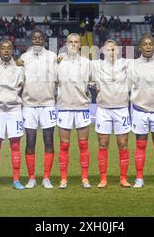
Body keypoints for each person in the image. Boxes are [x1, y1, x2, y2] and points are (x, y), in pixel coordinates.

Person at [128, 34, 154, 188]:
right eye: (145, 44)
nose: (148, 47)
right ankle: (139, 178)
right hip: (139, 110)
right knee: (140, 146)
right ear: (140, 47)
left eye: (151, 44)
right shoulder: (132, 65)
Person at [19, 30, 58, 189]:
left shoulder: (53, 57)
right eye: (34, 38)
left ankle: (46, 178)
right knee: (30, 142)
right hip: (29, 105)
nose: (36, 40)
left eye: (39, 38)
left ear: (44, 40)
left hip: (48, 104)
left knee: (49, 141)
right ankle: (32, 178)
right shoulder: (23, 58)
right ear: (31, 40)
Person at [91, 40, 131, 188]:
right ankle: (103, 179)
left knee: (123, 144)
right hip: (103, 109)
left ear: (118, 51)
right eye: (108, 50)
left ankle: (123, 178)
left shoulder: (127, 64)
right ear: (103, 51)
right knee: (103, 144)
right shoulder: (96, 65)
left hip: (122, 109)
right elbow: (79, 64)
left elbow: (145, 61)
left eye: (114, 50)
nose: (111, 52)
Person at [0, 39, 25, 190]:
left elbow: (22, 86)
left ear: (13, 50)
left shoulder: (20, 68)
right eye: (3, 48)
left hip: (14, 110)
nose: (6, 51)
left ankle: (16, 180)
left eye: (9, 48)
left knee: (15, 145)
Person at [56, 33, 92, 189]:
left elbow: (94, 82)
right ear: (66, 44)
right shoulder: (58, 62)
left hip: (82, 107)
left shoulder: (87, 63)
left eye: (76, 42)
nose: (73, 44)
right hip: (64, 107)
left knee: (83, 145)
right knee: (64, 145)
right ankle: (63, 179)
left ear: (80, 45)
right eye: (70, 42)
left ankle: (85, 178)